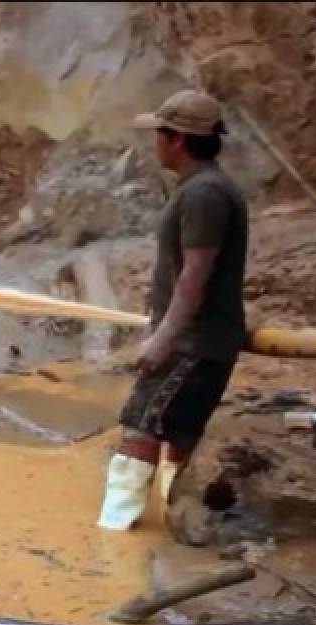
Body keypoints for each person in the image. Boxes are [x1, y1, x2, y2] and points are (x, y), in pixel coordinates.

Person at [98, 89, 249, 530]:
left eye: (159, 135)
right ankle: (176, 525)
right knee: (178, 437)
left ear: (177, 139)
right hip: (199, 341)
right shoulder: (207, 188)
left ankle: (113, 537)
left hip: (191, 344)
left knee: (140, 432)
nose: (154, 143)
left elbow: (194, 277)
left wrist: (163, 339)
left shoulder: (204, 194)